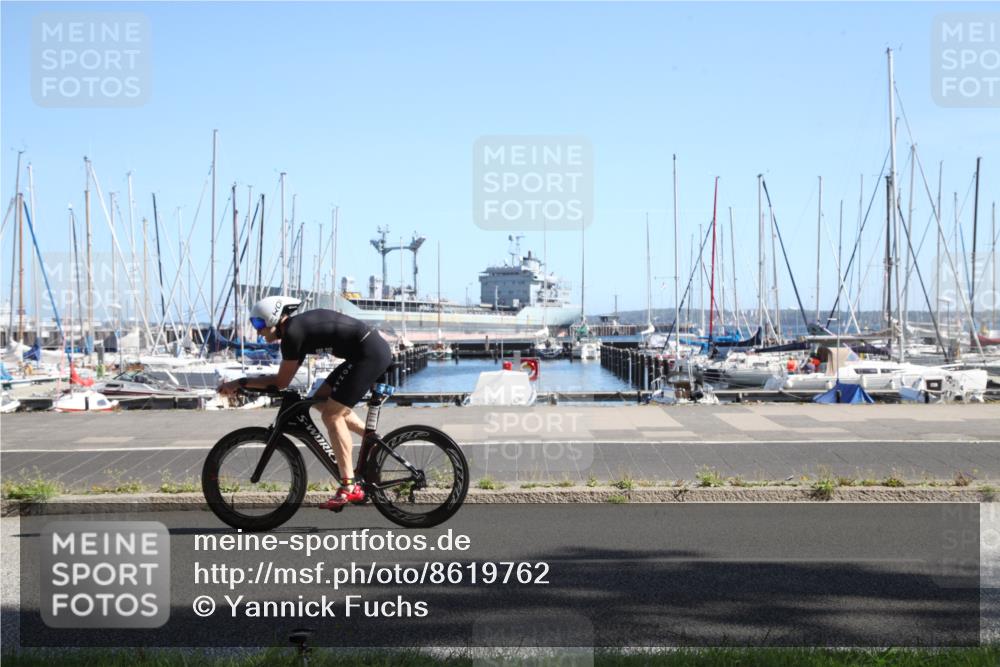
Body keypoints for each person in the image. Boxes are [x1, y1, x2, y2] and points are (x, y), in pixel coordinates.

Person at [217, 296, 393, 510]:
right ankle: (372, 439)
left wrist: (239, 383)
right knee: (320, 400)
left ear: (273, 318)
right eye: (254, 324)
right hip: (362, 354)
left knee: (332, 415)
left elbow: (280, 383)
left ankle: (349, 486)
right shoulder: (295, 333)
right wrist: (244, 385)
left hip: (369, 354)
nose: (258, 330)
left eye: (259, 323)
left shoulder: (293, 334)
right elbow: (283, 382)